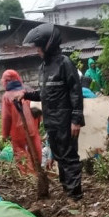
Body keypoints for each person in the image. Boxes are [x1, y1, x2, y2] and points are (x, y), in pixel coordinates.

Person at [24, 23, 85, 200]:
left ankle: (75, 195)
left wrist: (76, 119)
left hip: (66, 120)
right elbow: (44, 94)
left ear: (47, 44)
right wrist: (26, 94)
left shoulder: (64, 63)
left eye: (38, 46)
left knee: (69, 157)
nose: (36, 51)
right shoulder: (43, 67)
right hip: (51, 121)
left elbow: (76, 92)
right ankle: (67, 190)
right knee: (58, 156)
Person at [0, 69, 42, 175]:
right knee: (36, 151)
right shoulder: (28, 91)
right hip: (32, 128)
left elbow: (6, 118)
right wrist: (37, 125)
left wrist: (4, 135)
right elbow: (38, 110)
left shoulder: (7, 96)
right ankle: (38, 171)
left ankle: (28, 175)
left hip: (17, 132)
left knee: (21, 153)